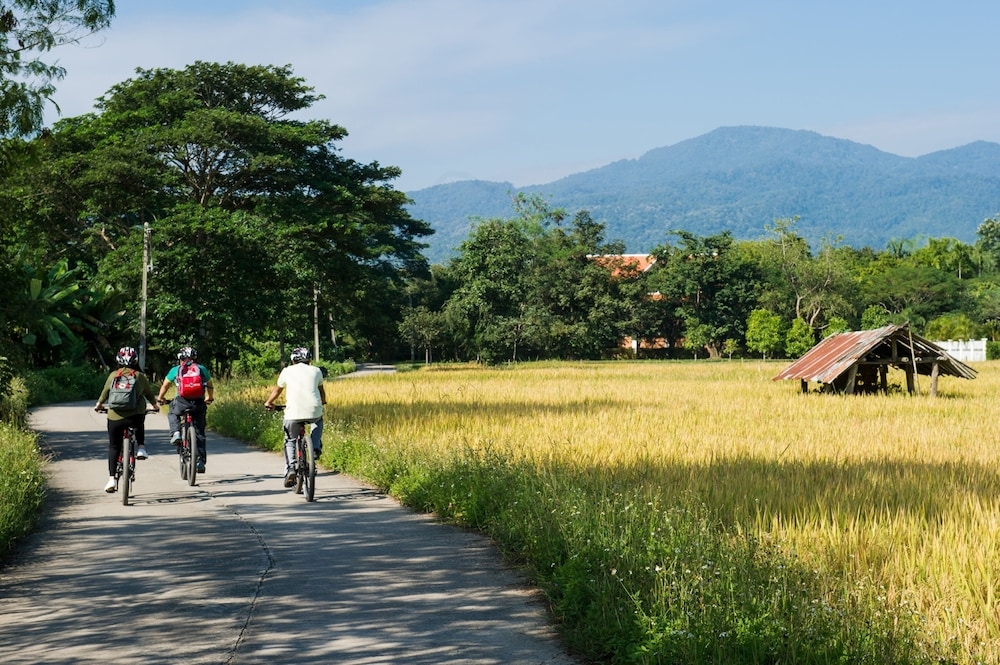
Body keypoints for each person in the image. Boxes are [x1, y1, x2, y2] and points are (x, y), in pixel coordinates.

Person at [95, 347, 158, 493]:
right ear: (135, 360)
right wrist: (155, 406)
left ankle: (112, 479)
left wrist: (98, 405)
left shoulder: (113, 375)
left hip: (114, 417)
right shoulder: (139, 376)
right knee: (140, 420)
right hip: (135, 417)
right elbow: (149, 394)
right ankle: (141, 448)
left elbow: (104, 393)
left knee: (114, 446)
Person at [263, 347, 326, 488]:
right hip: (314, 411)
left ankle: (291, 468)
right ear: (309, 359)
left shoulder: (287, 371)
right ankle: (315, 448)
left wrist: (269, 402)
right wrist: (322, 402)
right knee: (318, 420)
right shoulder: (316, 370)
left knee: (290, 440)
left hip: (293, 414)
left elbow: (277, 390)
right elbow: (321, 392)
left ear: (293, 359)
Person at [156, 346, 214, 473]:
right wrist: (209, 397)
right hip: (198, 403)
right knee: (200, 432)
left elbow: (165, 385)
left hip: (182, 402)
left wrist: (160, 398)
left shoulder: (176, 370)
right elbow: (210, 385)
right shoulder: (202, 369)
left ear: (180, 358)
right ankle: (200, 461)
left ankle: (176, 433)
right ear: (195, 358)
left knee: (172, 412)